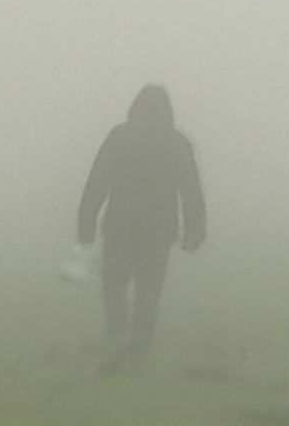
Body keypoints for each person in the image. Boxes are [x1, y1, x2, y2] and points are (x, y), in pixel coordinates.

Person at [77, 84, 205, 374]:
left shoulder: (119, 138)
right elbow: (191, 190)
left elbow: (97, 180)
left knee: (114, 287)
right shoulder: (176, 143)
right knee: (149, 293)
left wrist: (86, 222)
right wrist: (194, 230)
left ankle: (116, 338)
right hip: (158, 232)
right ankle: (139, 355)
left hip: (120, 226)